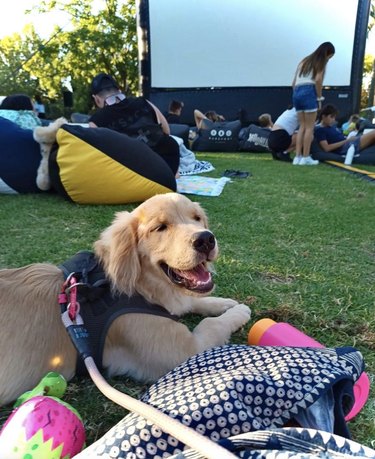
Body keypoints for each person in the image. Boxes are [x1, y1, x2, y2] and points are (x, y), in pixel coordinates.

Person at [89, 73, 180, 176]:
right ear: (118, 91)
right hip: (165, 169)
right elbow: (166, 130)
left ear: (96, 99)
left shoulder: (96, 121)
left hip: (131, 175)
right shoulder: (143, 102)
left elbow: (97, 156)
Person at [292, 42, 335, 165]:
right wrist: (319, 97)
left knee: (302, 127)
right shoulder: (320, 61)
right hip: (309, 91)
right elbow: (318, 80)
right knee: (309, 127)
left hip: (297, 93)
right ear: (327, 53)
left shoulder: (304, 61)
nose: (328, 60)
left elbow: (293, 83)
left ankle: (297, 157)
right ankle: (306, 157)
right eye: (330, 57)